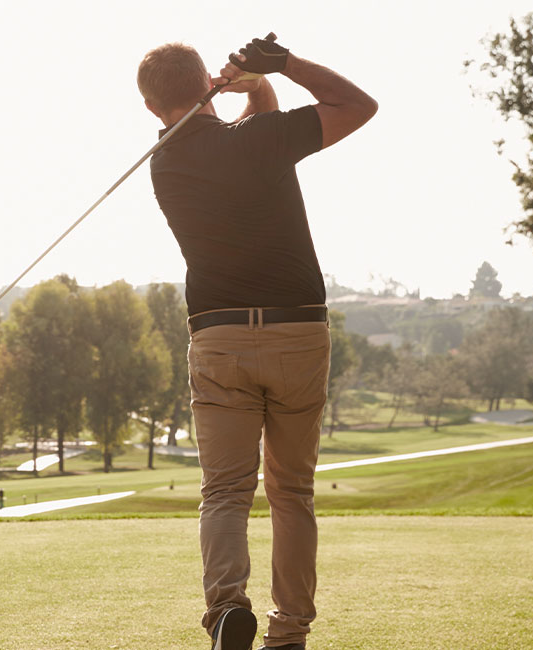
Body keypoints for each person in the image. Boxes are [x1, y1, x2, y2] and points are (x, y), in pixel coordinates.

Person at [137, 35, 375, 650]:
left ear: (150, 107)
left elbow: (247, 135)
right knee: (291, 492)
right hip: (298, 331)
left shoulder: (165, 162)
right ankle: (289, 633)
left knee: (225, 492)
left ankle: (226, 611)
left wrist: (258, 86)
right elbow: (358, 106)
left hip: (219, 339)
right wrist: (281, 68)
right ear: (206, 85)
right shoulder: (263, 140)